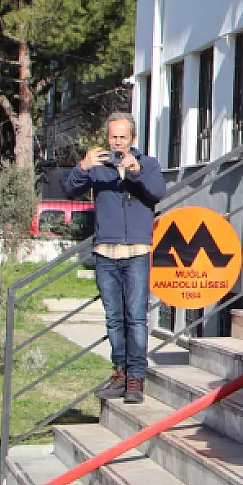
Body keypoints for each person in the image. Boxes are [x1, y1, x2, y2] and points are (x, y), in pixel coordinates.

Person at [64, 112, 167, 404]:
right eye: (113, 137)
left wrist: (135, 172)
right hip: (105, 252)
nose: (118, 143)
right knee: (113, 319)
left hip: (136, 251)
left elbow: (158, 192)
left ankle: (136, 377)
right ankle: (120, 371)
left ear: (132, 139)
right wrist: (83, 167)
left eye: (123, 137)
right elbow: (70, 189)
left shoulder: (148, 164)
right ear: (107, 139)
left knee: (135, 317)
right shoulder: (99, 168)